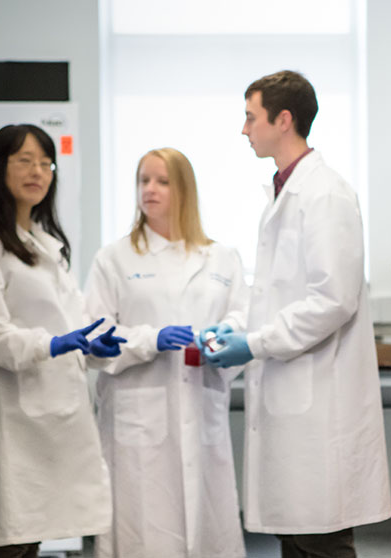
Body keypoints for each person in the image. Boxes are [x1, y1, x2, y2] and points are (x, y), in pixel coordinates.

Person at [202, 70, 391, 558]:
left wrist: (257, 343)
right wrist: (238, 326)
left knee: (319, 541)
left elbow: (334, 299)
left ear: (283, 120)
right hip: (292, 399)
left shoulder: (325, 193)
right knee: (299, 538)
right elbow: (274, 293)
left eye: (251, 117)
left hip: (318, 407)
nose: (244, 130)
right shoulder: (283, 192)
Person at [0, 124, 125, 558]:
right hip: (14, 420)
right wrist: (54, 344)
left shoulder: (45, 244)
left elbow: (72, 319)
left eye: (46, 163)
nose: (38, 171)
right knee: (12, 542)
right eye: (24, 160)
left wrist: (90, 346)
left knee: (30, 542)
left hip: (53, 417)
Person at [82, 147, 249, 558]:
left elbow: (244, 318)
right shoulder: (115, 258)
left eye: (162, 181)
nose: (149, 190)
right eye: (143, 180)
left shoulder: (222, 258)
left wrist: (224, 334)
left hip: (202, 406)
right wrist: (149, 340)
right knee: (145, 532)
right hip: (138, 422)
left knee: (207, 525)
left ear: (184, 189)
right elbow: (94, 336)